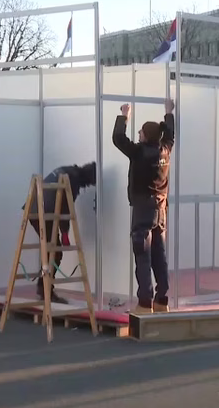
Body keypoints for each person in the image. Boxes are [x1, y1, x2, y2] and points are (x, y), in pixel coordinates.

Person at [112, 98, 175, 314]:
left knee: (143, 254)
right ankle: (162, 300)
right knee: (159, 255)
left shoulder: (139, 152)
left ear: (146, 136)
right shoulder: (165, 150)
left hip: (143, 210)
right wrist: (168, 112)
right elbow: (170, 135)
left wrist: (124, 116)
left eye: (140, 132)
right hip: (161, 209)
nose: (138, 134)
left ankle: (145, 303)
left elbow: (118, 138)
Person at [22, 162, 97, 303]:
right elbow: (65, 207)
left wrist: (64, 232)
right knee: (54, 252)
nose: (88, 186)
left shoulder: (68, 171)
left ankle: (43, 287)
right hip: (42, 212)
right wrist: (65, 233)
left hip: (36, 208)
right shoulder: (73, 179)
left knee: (52, 251)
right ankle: (45, 291)